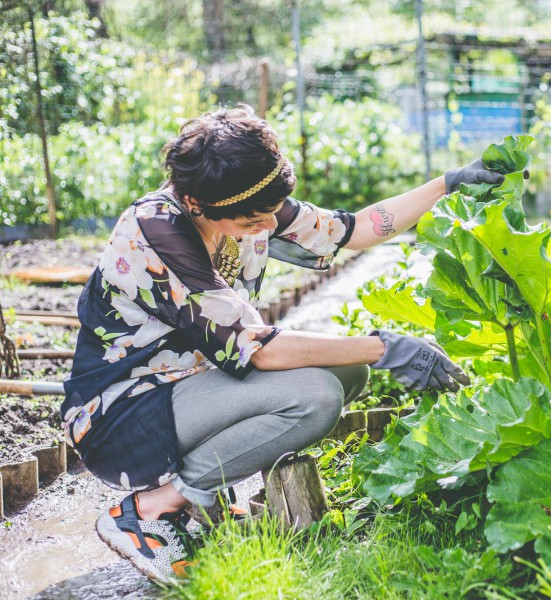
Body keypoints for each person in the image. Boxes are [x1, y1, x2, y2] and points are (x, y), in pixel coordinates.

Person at [61, 104, 503, 583]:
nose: (270, 228)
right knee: (316, 397)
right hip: (123, 416)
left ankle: (198, 505)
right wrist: (385, 347)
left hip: (191, 386)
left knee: (347, 372)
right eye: (255, 221)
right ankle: (151, 509)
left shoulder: (242, 202)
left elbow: (350, 230)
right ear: (198, 205)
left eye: (272, 214)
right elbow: (259, 347)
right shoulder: (157, 232)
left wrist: (447, 184)